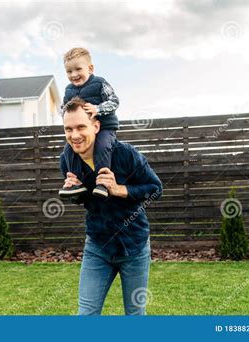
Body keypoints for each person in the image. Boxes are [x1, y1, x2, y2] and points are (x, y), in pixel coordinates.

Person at [60, 97, 163, 315]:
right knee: (86, 314)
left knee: (135, 315)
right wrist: (75, 192)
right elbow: (87, 202)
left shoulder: (125, 154)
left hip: (133, 245)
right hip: (98, 245)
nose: (74, 135)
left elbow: (155, 188)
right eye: (68, 129)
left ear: (96, 125)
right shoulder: (67, 161)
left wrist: (120, 189)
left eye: (80, 127)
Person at [58, 47, 120, 199]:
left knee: (102, 146)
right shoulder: (68, 90)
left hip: (105, 127)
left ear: (90, 68)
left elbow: (114, 101)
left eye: (78, 69)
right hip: (84, 131)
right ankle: (76, 182)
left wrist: (97, 109)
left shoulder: (99, 83)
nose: (74, 75)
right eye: (69, 71)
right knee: (67, 150)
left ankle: (103, 183)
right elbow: (66, 109)